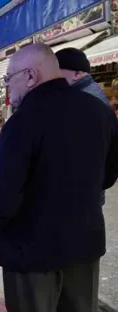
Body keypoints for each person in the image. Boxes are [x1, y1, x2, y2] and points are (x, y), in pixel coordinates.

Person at [0, 43, 118, 312]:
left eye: (9, 78)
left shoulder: (23, 121)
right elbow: (109, 175)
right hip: (84, 237)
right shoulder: (99, 112)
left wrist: (0, 231)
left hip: (32, 243)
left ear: (30, 75)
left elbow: (2, 196)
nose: (8, 87)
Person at [56, 47, 110, 207]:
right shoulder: (86, 93)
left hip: (82, 190)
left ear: (77, 73)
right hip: (88, 187)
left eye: (58, 72)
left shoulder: (86, 99)